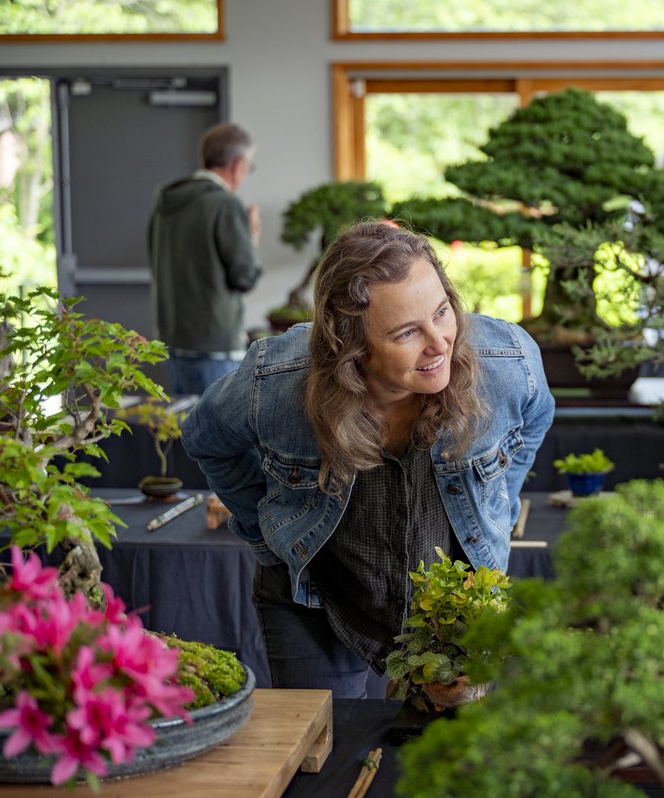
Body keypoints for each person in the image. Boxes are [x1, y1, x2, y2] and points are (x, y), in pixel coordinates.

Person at [180, 221, 554, 698]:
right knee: (325, 753)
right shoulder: (274, 380)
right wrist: (266, 533)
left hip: (452, 605)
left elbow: (536, 418)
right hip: (316, 596)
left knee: (447, 758)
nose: (439, 343)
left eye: (442, 312)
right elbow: (206, 438)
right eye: (406, 333)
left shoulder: (506, 361)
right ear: (350, 345)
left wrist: (498, 502)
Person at [149, 122, 263, 396]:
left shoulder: (166, 203)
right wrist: (251, 238)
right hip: (215, 346)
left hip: (173, 339)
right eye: (249, 167)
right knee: (221, 436)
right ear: (237, 164)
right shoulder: (225, 205)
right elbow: (245, 277)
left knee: (184, 432)